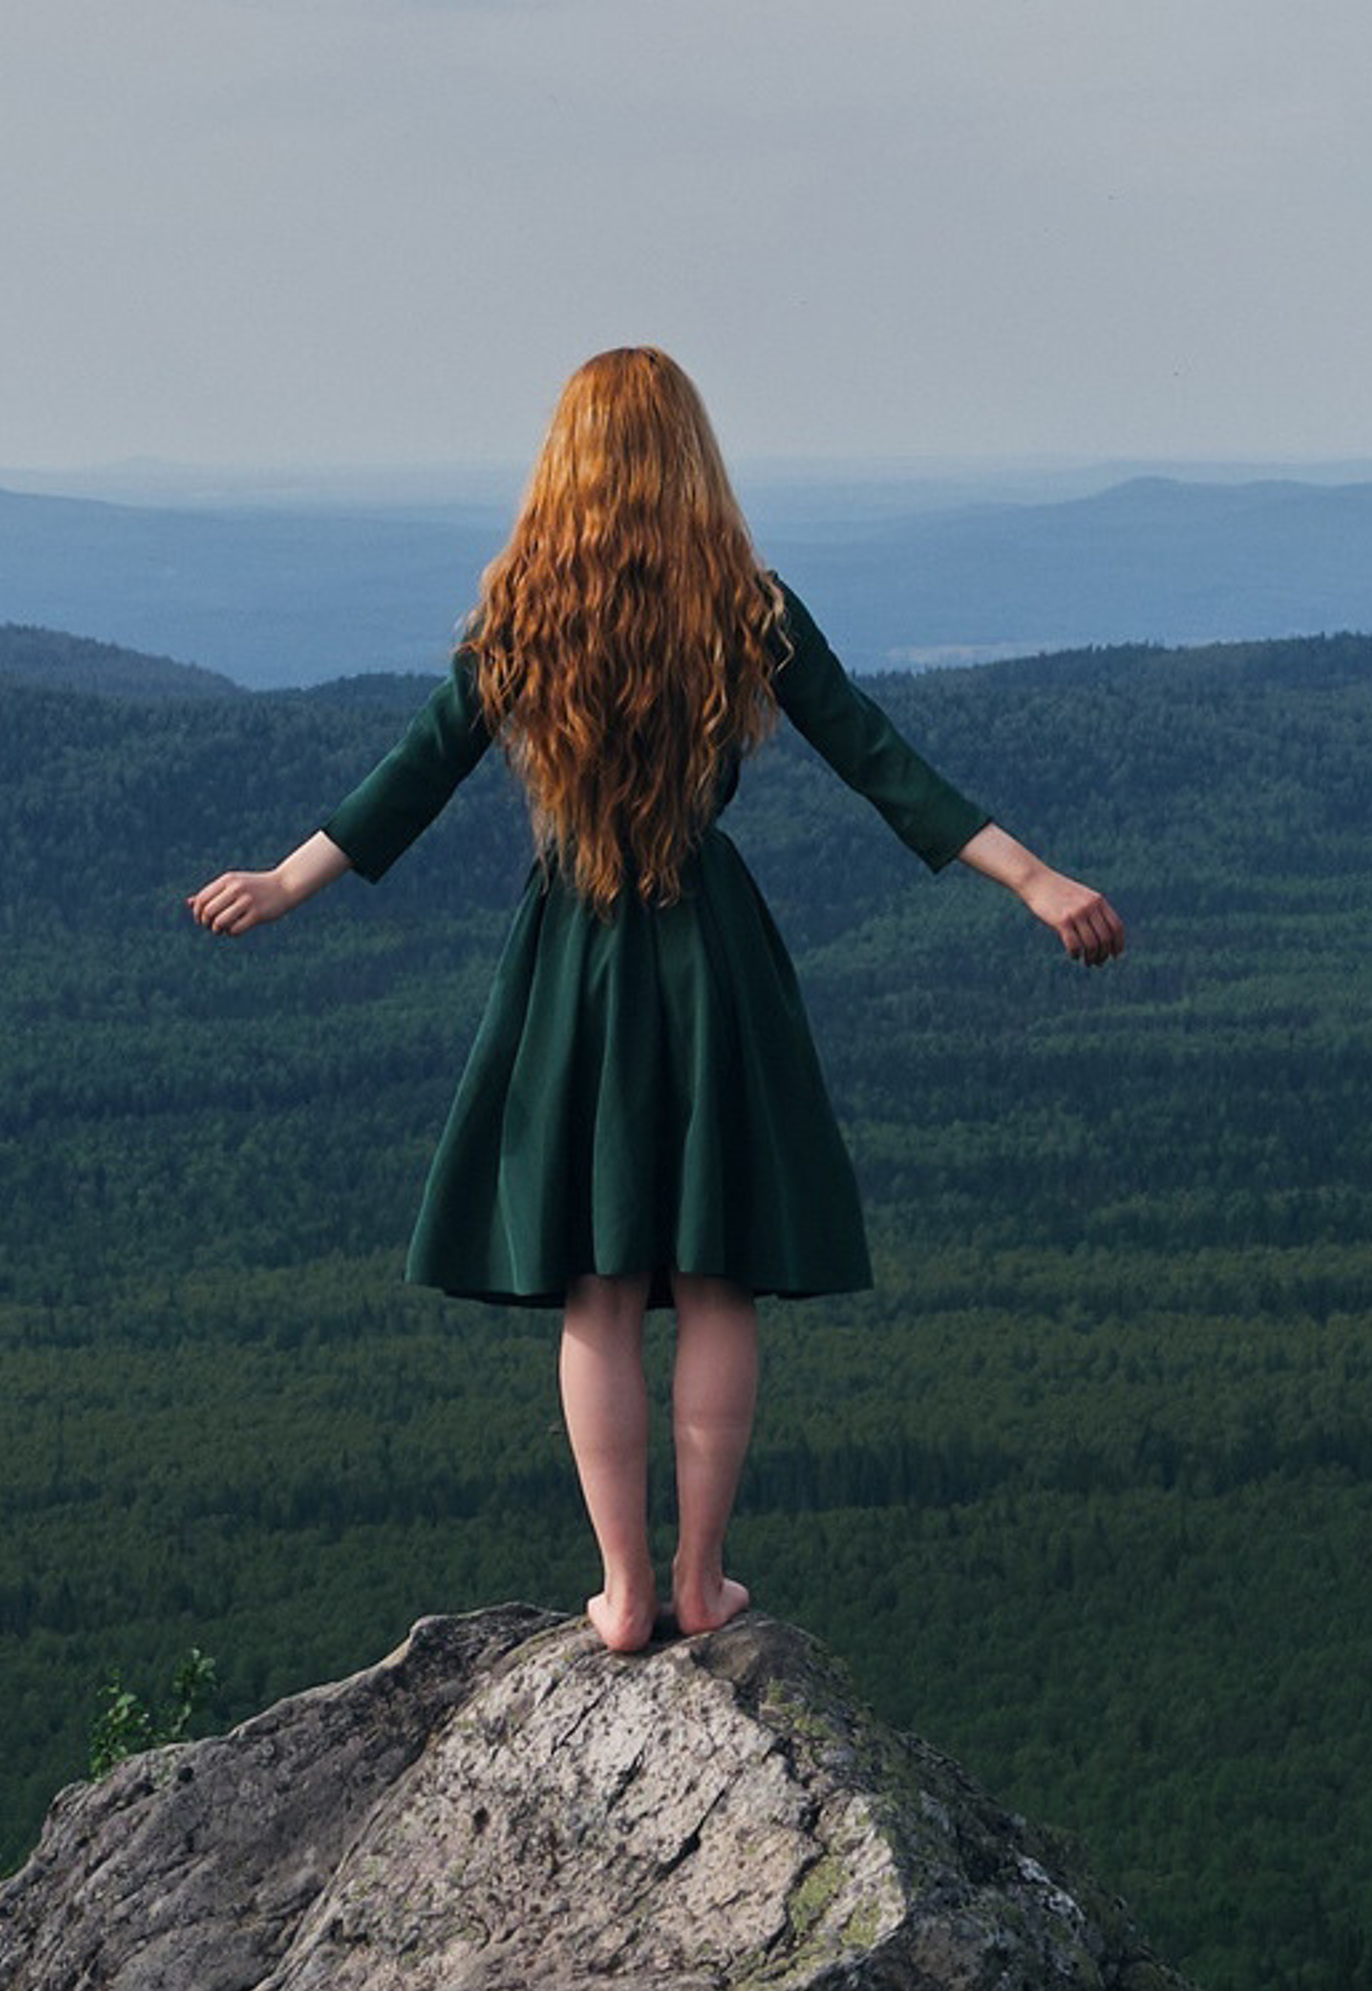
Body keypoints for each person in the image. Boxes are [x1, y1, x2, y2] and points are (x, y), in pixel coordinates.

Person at [188, 348, 1123, 1656]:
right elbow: (880, 762)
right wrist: (1036, 880)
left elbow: (414, 774)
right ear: (691, 458)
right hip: (708, 957)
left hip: (576, 959)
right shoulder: (745, 605)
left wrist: (284, 884)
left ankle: (623, 1593)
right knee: (717, 1274)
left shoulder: (528, 612)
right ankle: (699, 1582)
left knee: (601, 1288)